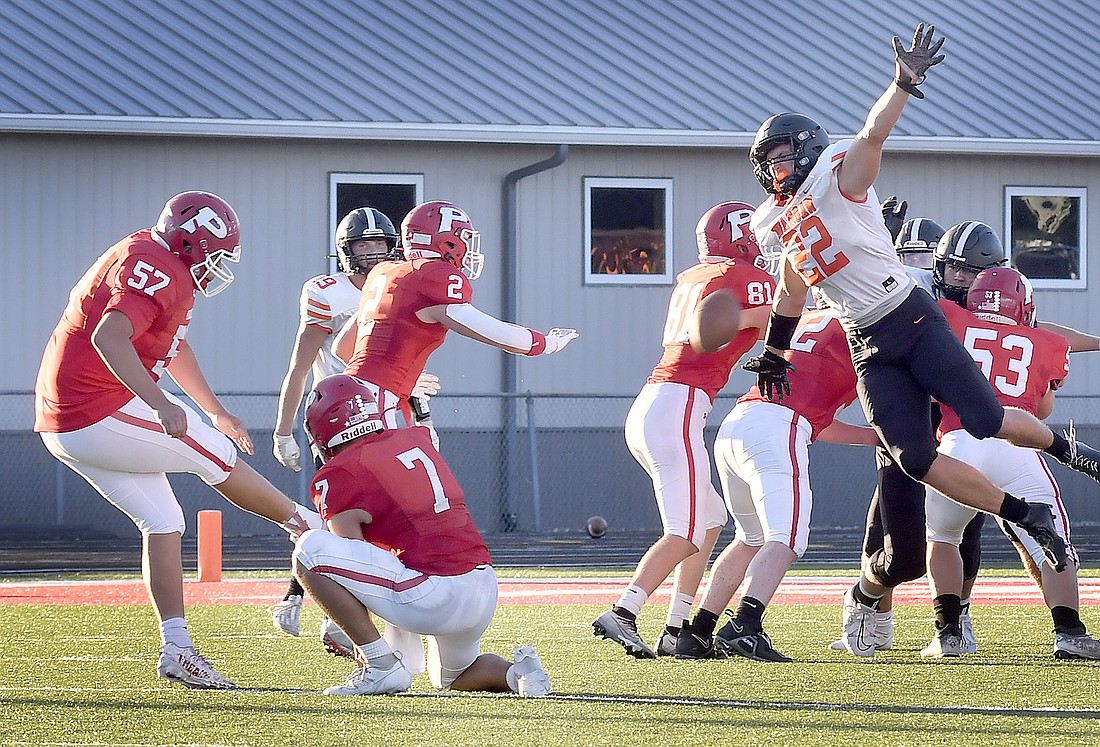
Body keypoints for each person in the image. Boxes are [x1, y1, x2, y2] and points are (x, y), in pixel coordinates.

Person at [742, 23, 1100, 659]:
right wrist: (774, 351)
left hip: (909, 317)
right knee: (910, 455)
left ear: (805, 150)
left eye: (780, 155)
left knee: (986, 419)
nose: (774, 168)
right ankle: (1024, 513)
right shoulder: (783, 220)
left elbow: (874, 135)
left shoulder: (837, 176)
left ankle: (1069, 451)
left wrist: (902, 84)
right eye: (767, 161)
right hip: (866, 342)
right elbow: (794, 290)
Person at [33, 191, 323, 690]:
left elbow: (171, 343)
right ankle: (306, 527)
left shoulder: (152, 252)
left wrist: (215, 409)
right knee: (212, 451)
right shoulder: (160, 266)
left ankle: (178, 649)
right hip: (93, 410)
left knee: (165, 519)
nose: (220, 266)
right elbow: (110, 335)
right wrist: (160, 403)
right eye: (218, 253)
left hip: (71, 415)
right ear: (193, 243)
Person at [592, 201, 775, 659]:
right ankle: (624, 611)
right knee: (687, 529)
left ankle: (676, 628)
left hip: (657, 403)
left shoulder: (695, 276)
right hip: (679, 405)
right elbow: (775, 321)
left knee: (709, 519)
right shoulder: (745, 277)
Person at [292, 374, 552, 696]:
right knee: (454, 676)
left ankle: (380, 666)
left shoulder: (338, 473)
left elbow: (352, 556)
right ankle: (519, 674)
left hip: (435, 595)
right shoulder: (415, 439)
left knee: (309, 550)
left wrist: (360, 635)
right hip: (483, 585)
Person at [269, 207, 437, 655]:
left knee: (392, 514)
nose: (370, 256)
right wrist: (282, 429)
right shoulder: (327, 292)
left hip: (390, 413)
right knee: (344, 518)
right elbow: (300, 366)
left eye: (377, 246)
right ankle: (326, 609)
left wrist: (422, 416)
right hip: (340, 418)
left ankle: (324, 604)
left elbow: (408, 361)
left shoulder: (401, 284)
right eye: (361, 247)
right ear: (345, 253)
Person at [674, 303, 879, 661]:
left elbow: (819, 422)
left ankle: (699, 631)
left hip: (738, 423)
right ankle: (744, 624)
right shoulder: (859, 323)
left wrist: (876, 437)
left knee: (750, 538)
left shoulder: (810, 317)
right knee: (786, 538)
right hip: (778, 427)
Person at [924, 267, 1100, 659]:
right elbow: (1040, 410)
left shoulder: (948, 318)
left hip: (955, 445)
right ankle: (1069, 632)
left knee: (943, 538)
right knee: (1050, 539)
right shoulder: (1047, 342)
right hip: (1015, 445)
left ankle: (948, 634)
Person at [335, 200, 577, 429]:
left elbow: (343, 348)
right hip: (373, 404)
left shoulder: (385, 272)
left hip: (346, 397)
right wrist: (549, 343)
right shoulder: (433, 277)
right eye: (464, 239)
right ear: (445, 243)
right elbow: (501, 335)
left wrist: (404, 380)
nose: (468, 247)